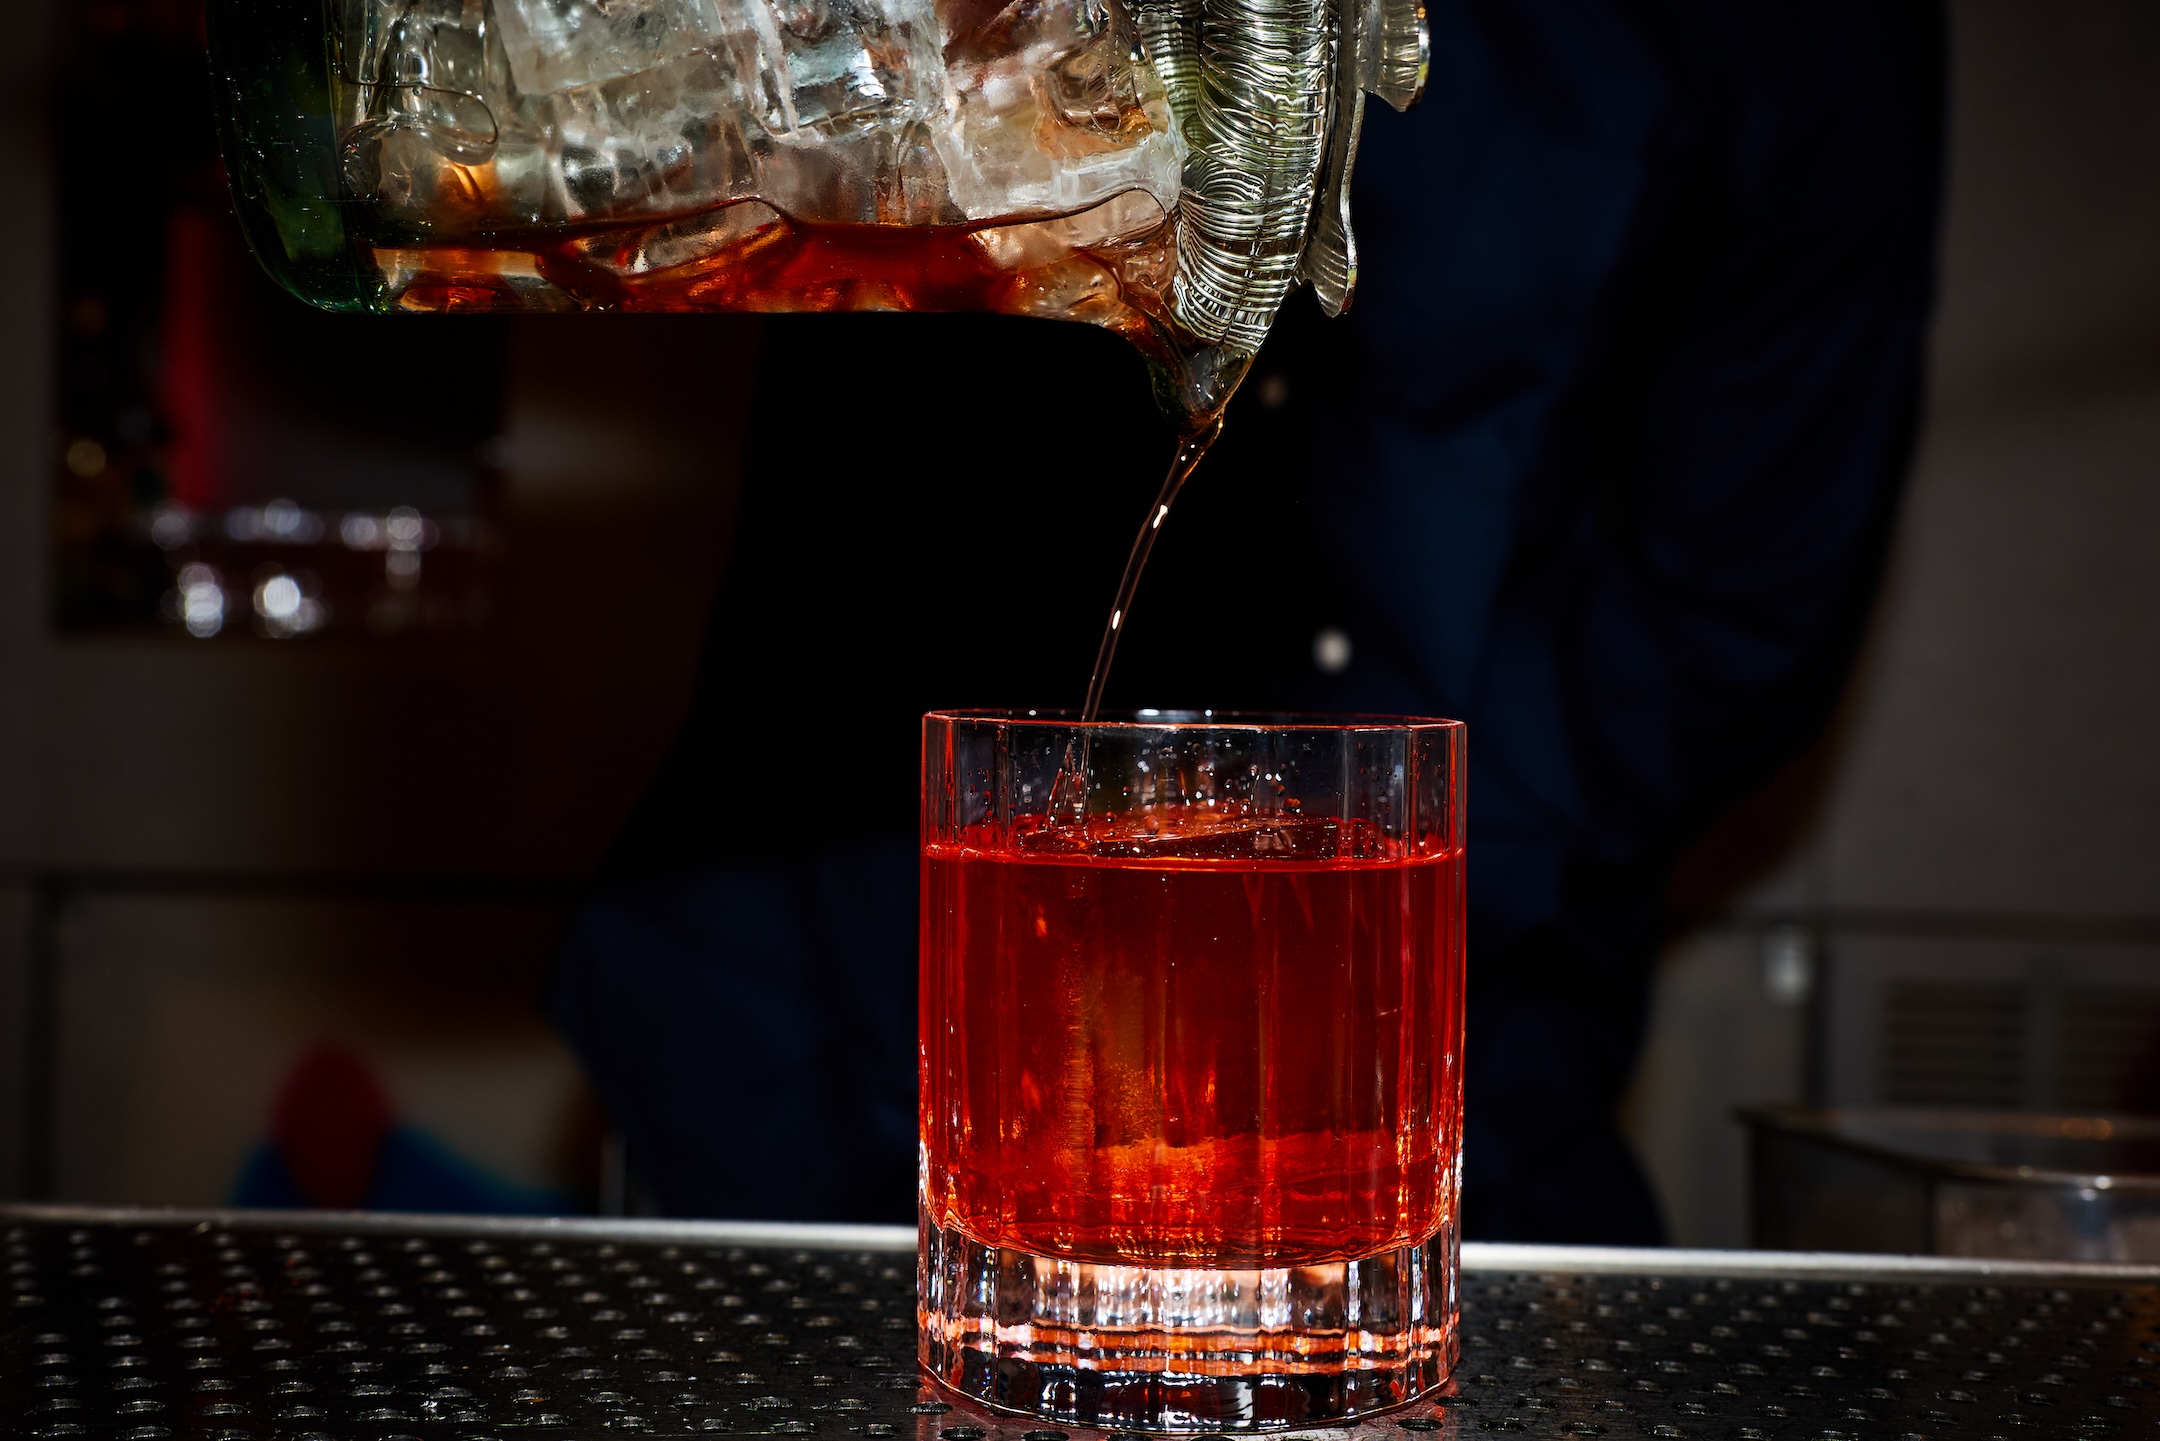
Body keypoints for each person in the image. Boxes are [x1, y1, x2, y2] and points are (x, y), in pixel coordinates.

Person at [551, 0, 1945, 1241]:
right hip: (807, 1000)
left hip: (1425, 1079)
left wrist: (1353, 899)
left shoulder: (1786, 34)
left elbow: (1736, 601)